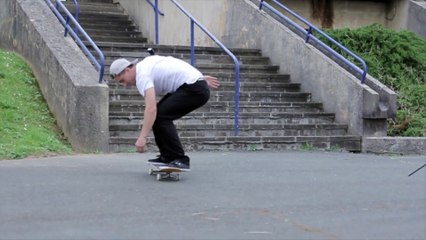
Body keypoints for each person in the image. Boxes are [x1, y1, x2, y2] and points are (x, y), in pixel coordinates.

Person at [109, 55, 220, 170]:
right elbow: (170, 62)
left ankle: (179, 159)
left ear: (127, 70)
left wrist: (143, 137)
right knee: (159, 115)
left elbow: (151, 109)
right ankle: (167, 156)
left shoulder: (142, 75)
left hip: (194, 89)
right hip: (192, 84)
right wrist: (199, 78)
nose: (125, 85)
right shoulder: (145, 65)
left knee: (161, 116)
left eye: (122, 80)